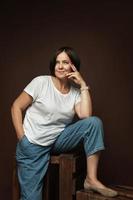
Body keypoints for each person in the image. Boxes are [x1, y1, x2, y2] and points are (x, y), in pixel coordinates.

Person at [11, 46, 118, 200]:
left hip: (57, 140)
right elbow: (16, 106)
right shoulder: (41, 82)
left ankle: (91, 180)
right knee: (31, 198)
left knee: (93, 123)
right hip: (33, 144)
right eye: (57, 62)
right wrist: (23, 139)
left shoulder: (75, 93)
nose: (60, 66)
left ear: (73, 66)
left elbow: (86, 115)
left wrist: (82, 85)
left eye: (65, 62)